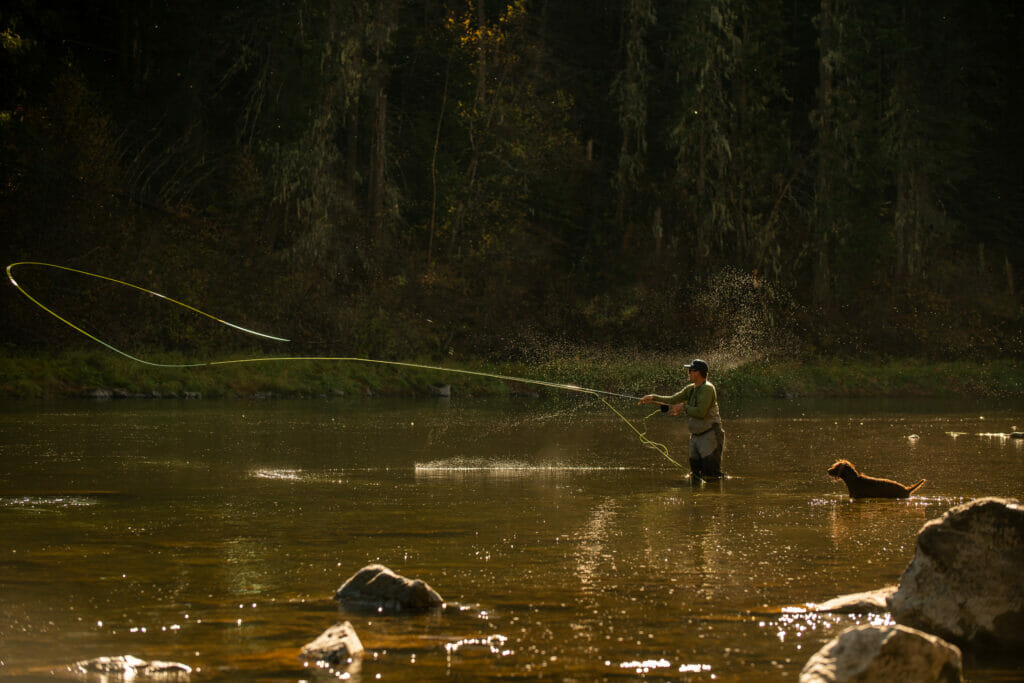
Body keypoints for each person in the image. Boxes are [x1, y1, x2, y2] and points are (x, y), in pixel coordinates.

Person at [638, 359, 724, 480]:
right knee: (696, 476)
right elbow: (673, 399)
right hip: (696, 437)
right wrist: (652, 398)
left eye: (691, 370)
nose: (689, 373)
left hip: (710, 435)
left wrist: (683, 407)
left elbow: (701, 412)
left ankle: (713, 498)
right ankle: (700, 497)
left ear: (698, 373)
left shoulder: (708, 389)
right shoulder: (691, 388)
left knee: (711, 477)